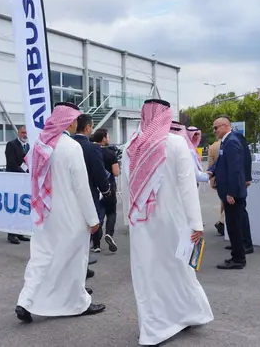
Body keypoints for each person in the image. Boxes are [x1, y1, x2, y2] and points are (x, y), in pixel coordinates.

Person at [121, 99, 213, 346]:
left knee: (148, 273)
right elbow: (187, 188)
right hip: (173, 221)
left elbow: (125, 187)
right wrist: (196, 223)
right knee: (178, 269)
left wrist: (126, 219)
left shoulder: (130, 145)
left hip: (141, 222)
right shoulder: (175, 144)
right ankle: (179, 318)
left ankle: (158, 326)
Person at [15, 102, 105, 323]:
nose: (76, 124)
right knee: (74, 260)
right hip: (70, 215)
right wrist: (93, 220)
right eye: (75, 120)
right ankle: (78, 303)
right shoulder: (70, 146)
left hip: (44, 213)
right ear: (70, 121)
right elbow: (81, 187)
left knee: (41, 259)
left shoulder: (40, 144)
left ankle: (25, 301)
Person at [211, 116, 248, 270]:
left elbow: (235, 170)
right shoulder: (227, 141)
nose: (214, 131)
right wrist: (210, 172)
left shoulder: (231, 142)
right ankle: (236, 256)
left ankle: (238, 260)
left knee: (234, 226)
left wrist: (231, 193)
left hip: (233, 193)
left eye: (216, 127)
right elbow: (220, 163)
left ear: (225, 126)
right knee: (232, 226)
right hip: (230, 191)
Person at [72, 114, 111, 254]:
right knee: (86, 229)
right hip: (88, 193)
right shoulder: (92, 148)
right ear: (88, 127)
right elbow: (99, 173)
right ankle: (82, 262)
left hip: (69, 195)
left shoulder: (67, 143)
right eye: (92, 127)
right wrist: (106, 191)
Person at [223, 128, 254, 255]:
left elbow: (246, 158)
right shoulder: (229, 139)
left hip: (239, 182)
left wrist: (247, 177)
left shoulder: (236, 138)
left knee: (240, 214)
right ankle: (239, 243)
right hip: (235, 181)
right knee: (236, 215)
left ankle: (246, 243)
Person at [91, 127, 120, 253]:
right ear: (103, 138)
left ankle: (96, 244)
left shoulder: (90, 151)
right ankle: (109, 234)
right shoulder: (110, 153)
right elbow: (116, 172)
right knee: (111, 212)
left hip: (94, 187)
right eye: (107, 136)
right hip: (109, 186)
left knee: (97, 215)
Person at [5, 125, 31, 244]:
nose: (24, 134)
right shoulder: (11, 145)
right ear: (18, 133)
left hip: (24, 181)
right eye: (22, 132)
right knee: (13, 207)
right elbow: (11, 163)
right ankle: (11, 233)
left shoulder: (28, 146)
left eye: (26, 132)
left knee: (21, 206)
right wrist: (23, 173)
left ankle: (20, 231)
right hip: (14, 179)